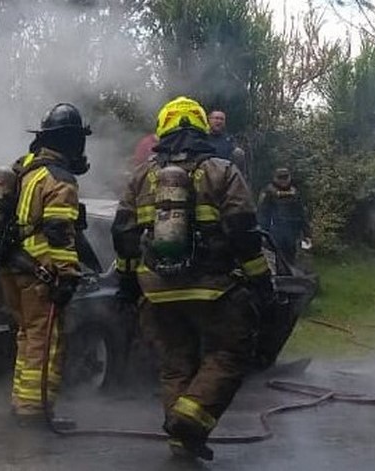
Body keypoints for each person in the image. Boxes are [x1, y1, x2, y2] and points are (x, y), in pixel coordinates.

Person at [111, 96, 273, 460]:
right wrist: (261, 281)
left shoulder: (141, 176)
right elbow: (243, 231)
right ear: (202, 127)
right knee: (229, 353)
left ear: (162, 130)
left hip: (156, 291)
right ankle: (190, 420)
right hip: (213, 288)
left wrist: (126, 284)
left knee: (175, 363)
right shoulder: (222, 170)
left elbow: (123, 235)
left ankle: (180, 439)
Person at [0, 103, 91, 429]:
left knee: (27, 336)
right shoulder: (59, 179)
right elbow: (58, 231)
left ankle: (21, 402)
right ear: (70, 141)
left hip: (12, 267)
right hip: (39, 271)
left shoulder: (24, 169)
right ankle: (34, 411)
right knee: (45, 340)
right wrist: (67, 273)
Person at [257, 167, 312, 265]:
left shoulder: (295, 192)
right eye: (280, 178)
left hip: (293, 234)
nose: (283, 181)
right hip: (274, 233)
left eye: (285, 178)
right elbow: (262, 214)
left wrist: (307, 233)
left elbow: (302, 214)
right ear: (275, 178)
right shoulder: (269, 193)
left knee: (291, 261)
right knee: (276, 260)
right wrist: (263, 233)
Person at [205, 110, 246, 174]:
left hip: (225, 170)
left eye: (222, 119)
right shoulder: (202, 137)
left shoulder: (229, 139)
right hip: (206, 170)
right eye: (216, 118)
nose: (219, 121)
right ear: (209, 120)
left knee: (238, 152)